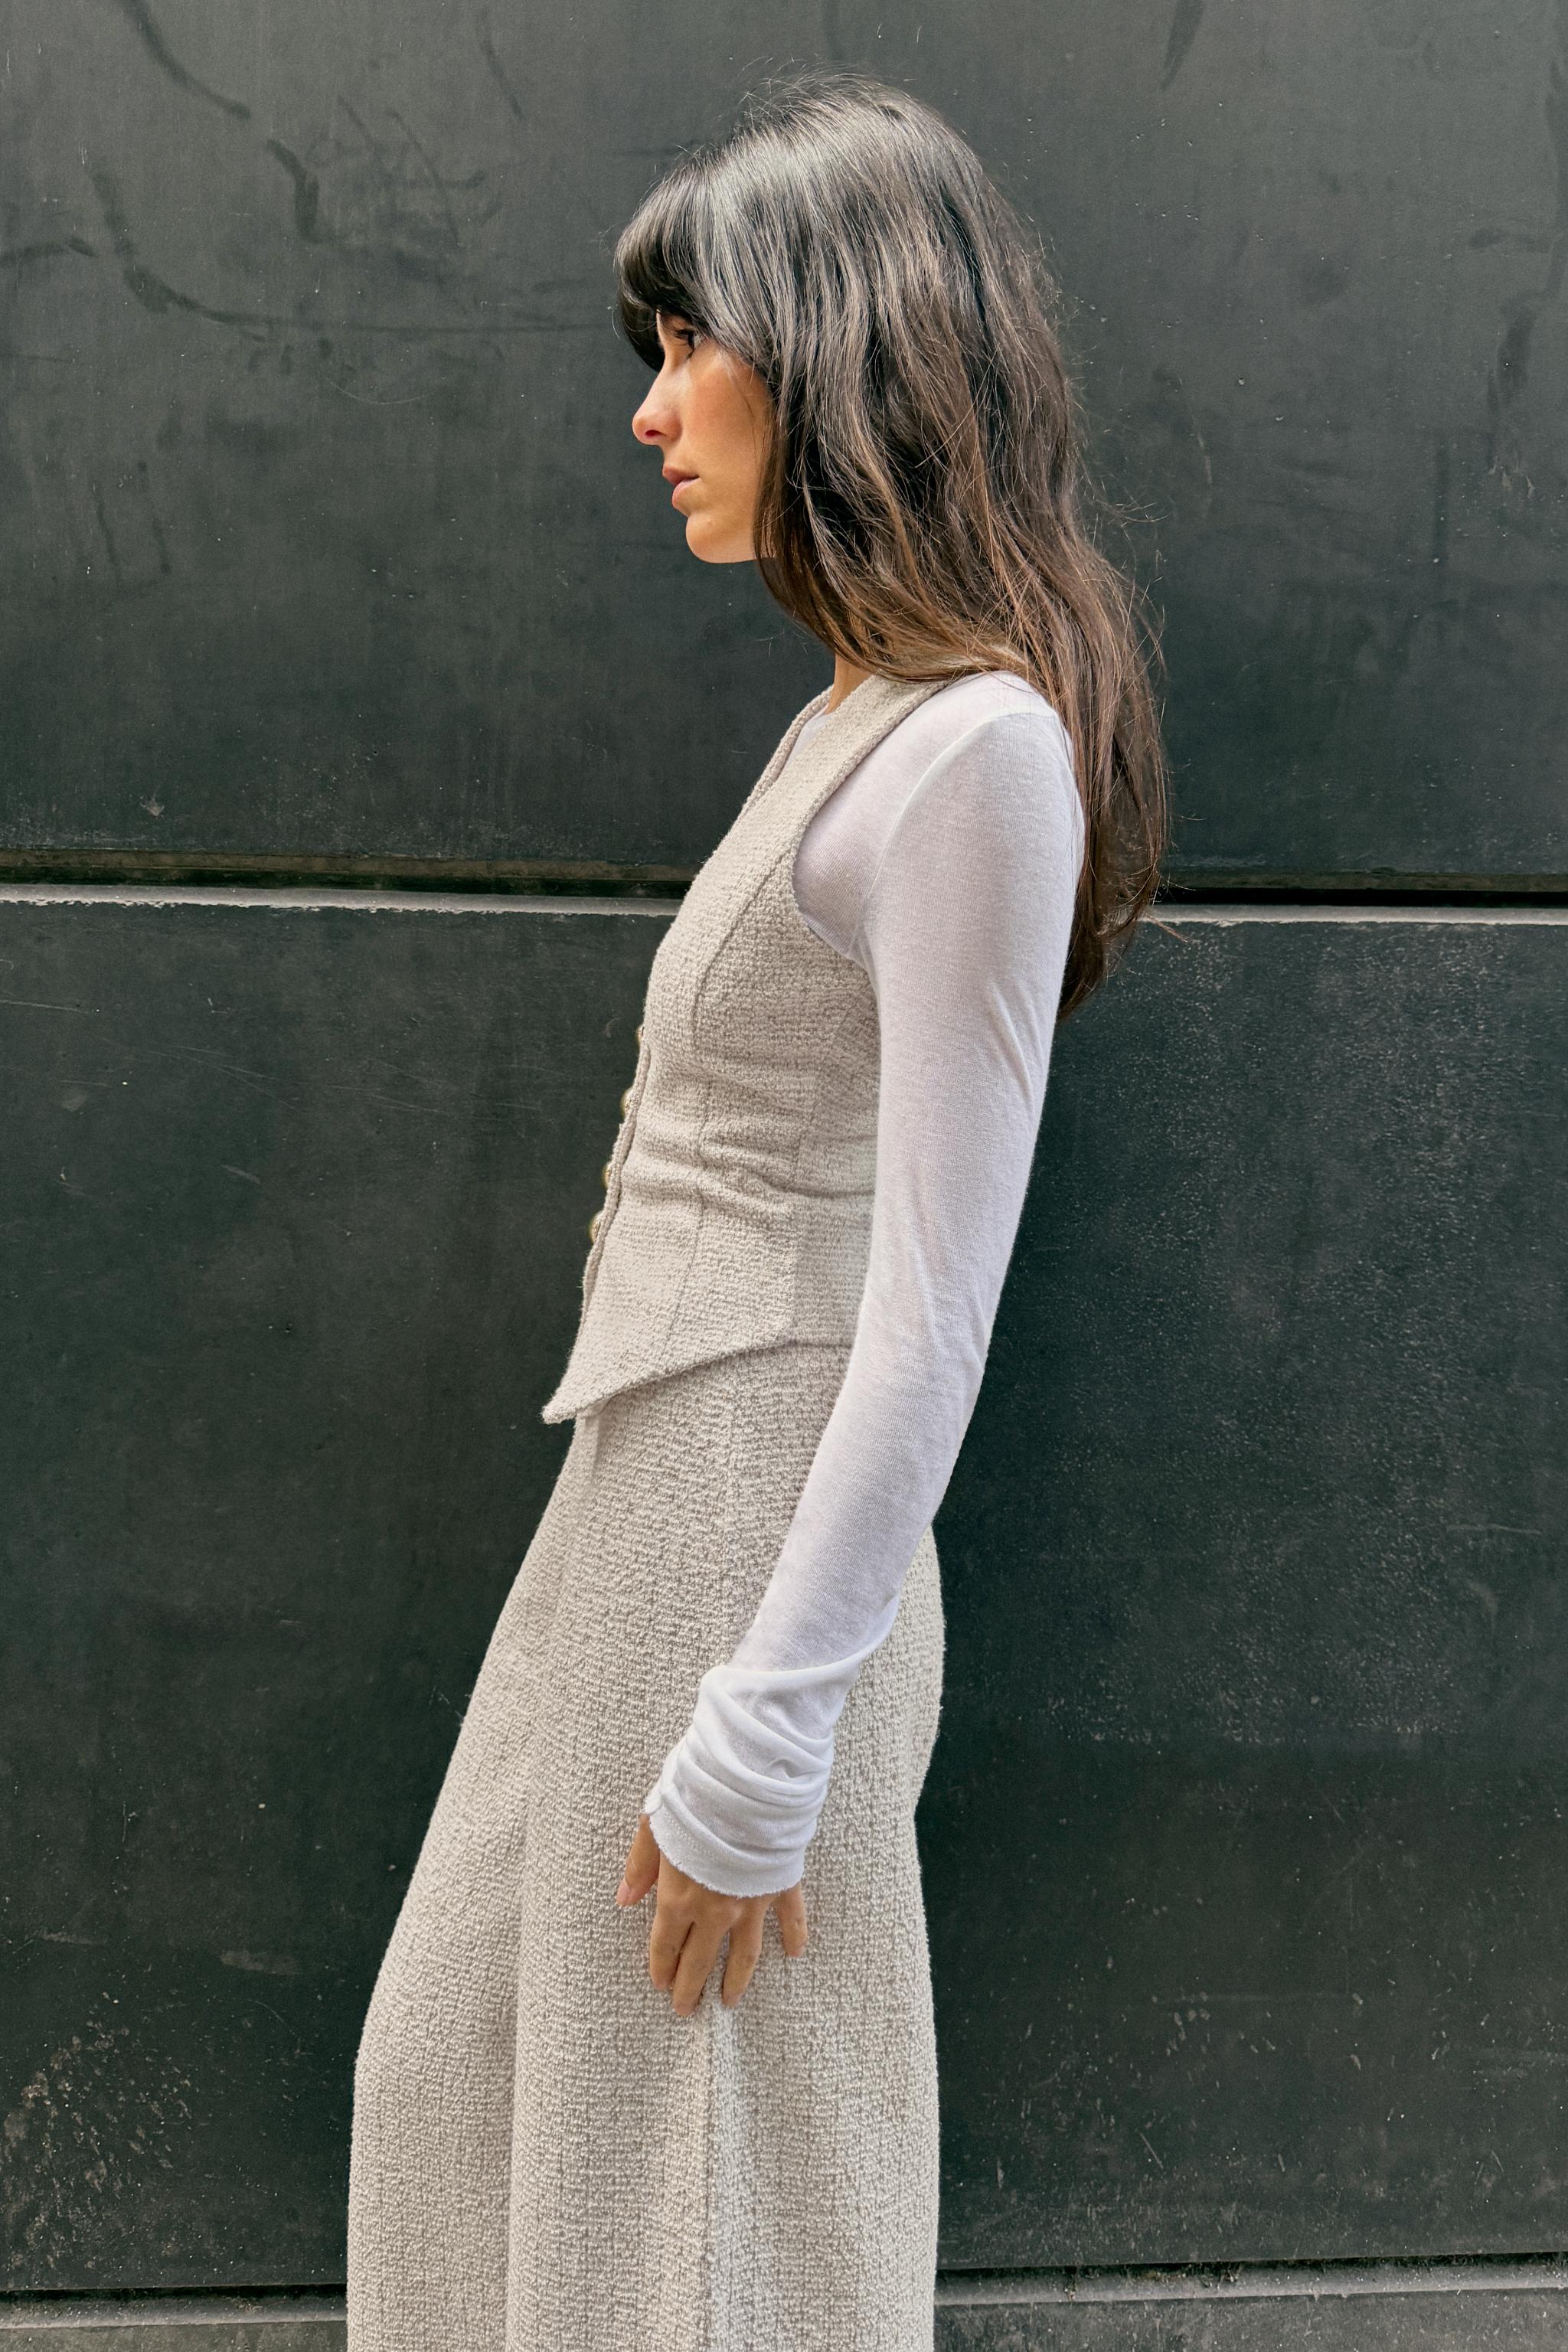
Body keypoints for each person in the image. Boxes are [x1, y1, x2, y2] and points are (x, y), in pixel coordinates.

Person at [347, 69, 1167, 2352]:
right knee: (454, 2090)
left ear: (834, 348)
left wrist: (772, 1725)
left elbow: (935, 1302)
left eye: (687, 345)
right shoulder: (859, 716)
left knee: (683, 2213)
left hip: (748, 1524)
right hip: (641, 1491)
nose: (651, 411)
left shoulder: (979, 750)